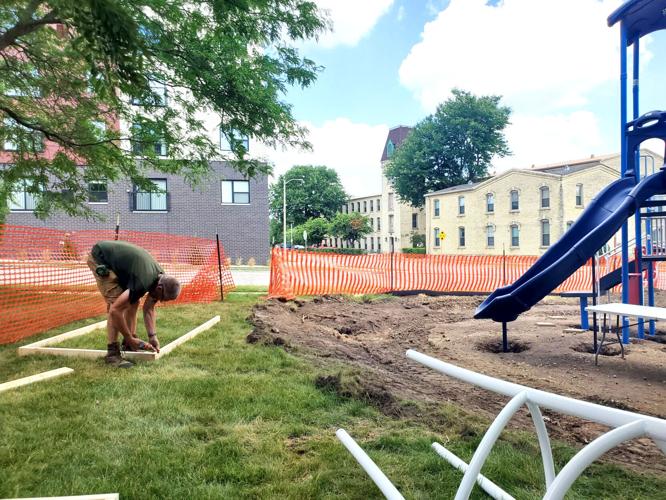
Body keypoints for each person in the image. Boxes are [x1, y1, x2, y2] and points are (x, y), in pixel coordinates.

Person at [87, 240, 181, 367]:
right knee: (116, 303)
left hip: (121, 264)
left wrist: (152, 336)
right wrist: (130, 337)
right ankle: (112, 353)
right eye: (162, 298)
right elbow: (115, 311)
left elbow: (149, 309)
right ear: (159, 289)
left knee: (134, 302)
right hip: (102, 258)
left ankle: (128, 344)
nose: (160, 301)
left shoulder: (160, 278)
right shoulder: (144, 281)